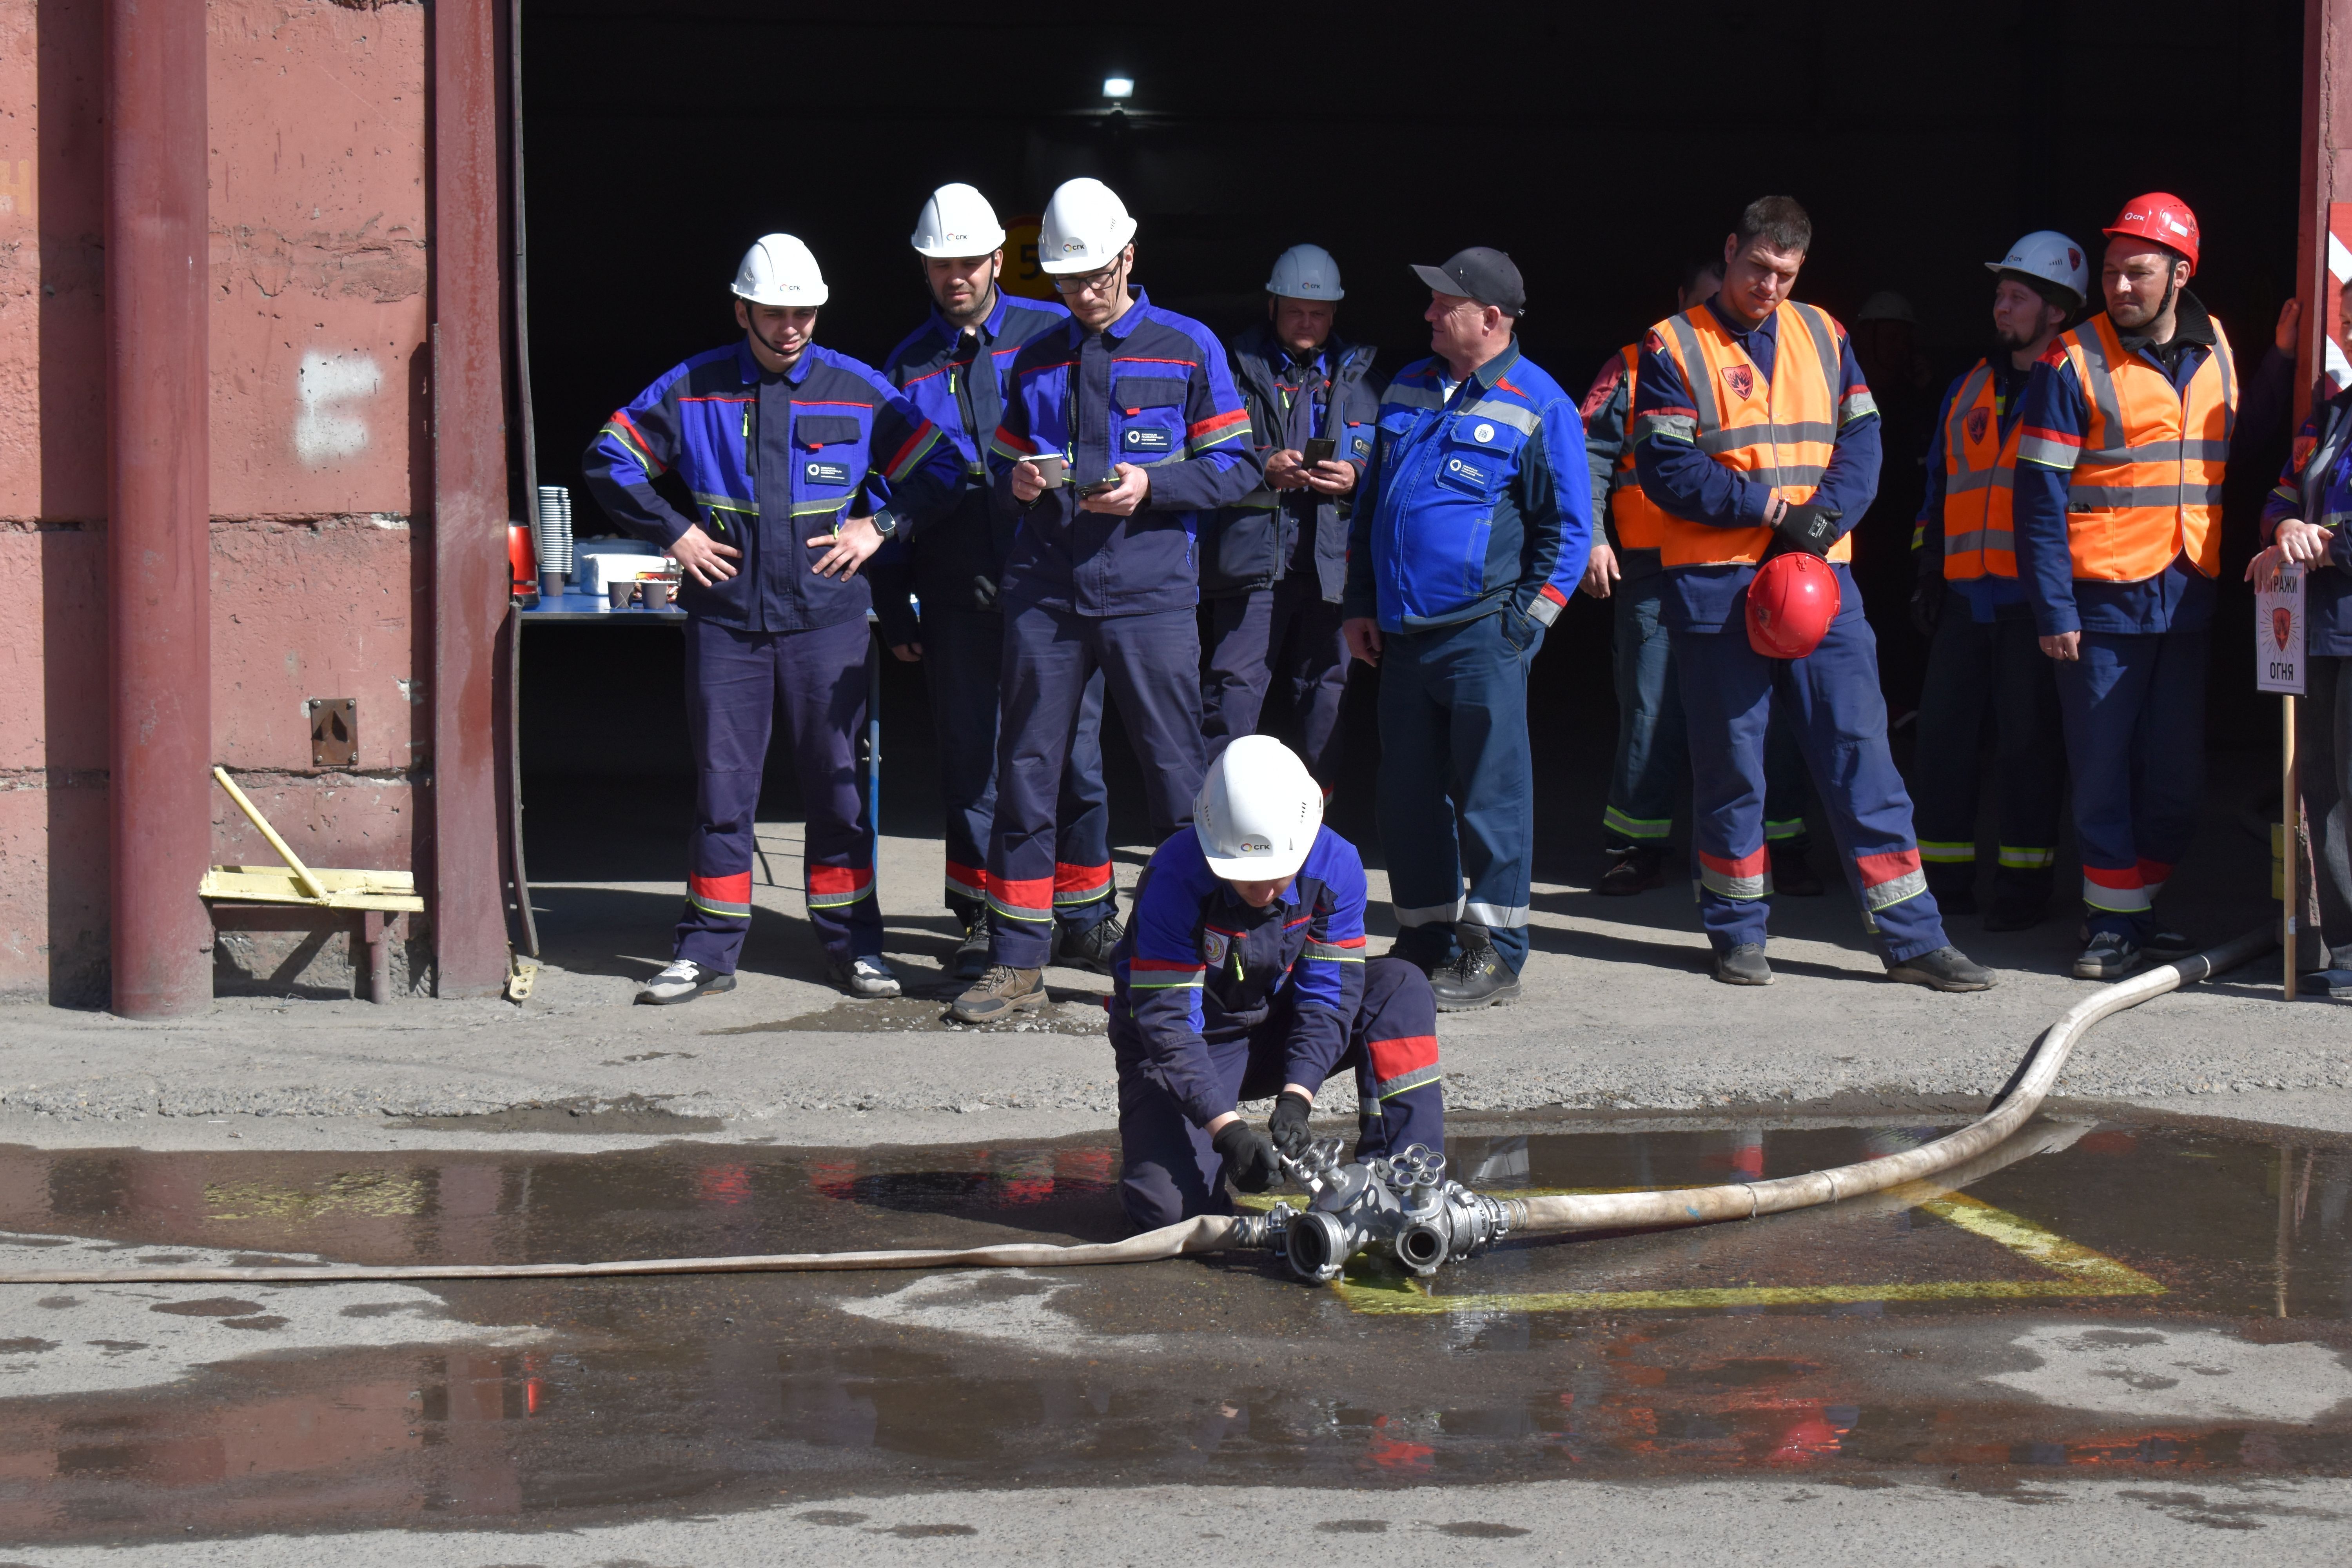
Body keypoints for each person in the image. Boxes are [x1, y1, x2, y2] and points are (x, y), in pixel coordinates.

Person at [584, 234, 963, 1004]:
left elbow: (946, 468)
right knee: (725, 786)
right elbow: (609, 455)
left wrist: (879, 528)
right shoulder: (694, 387)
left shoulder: (858, 389)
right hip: (728, 620)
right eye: (775, 313)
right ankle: (707, 948)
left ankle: (854, 946)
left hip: (828, 619)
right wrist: (675, 532)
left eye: (804, 313)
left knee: (838, 787)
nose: (791, 328)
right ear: (742, 310)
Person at [1631, 195, 1993, 991]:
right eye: (1758, 268)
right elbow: (1667, 467)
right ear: (1731, 251)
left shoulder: (1826, 334)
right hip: (1718, 589)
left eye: (1785, 275)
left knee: (1863, 753)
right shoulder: (1672, 345)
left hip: (1820, 582)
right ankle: (1736, 932)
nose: (1769, 287)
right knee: (1732, 767)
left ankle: (1913, 937)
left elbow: (1864, 436)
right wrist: (1772, 510)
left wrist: (1825, 519)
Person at [952, 178, 1261, 1023]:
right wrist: (1019, 480)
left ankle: (1194, 953)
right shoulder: (1039, 354)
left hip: (1151, 591)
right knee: (1025, 772)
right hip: (1046, 593)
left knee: (1175, 774)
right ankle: (1017, 962)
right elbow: (1012, 457)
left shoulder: (1189, 347)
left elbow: (1237, 467)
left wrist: (1152, 486)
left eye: (1095, 276)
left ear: (1130, 257)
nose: (1083, 294)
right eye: (1066, 281)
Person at [874, 183, 1120, 982]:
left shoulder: (1054, 339)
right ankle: (984, 912)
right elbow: (883, 491)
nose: (957, 277)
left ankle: (1084, 913)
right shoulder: (904, 367)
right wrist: (892, 601)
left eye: (970, 262)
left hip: (1055, 582)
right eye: (942, 264)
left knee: (1075, 753)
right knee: (973, 755)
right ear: (925, 265)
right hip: (957, 589)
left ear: (995, 260)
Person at [1341, 247, 1590, 1009]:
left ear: (1489, 317)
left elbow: (1569, 533)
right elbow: (1373, 505)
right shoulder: (1410, 386)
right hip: (1404, 637)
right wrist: (1359, 600)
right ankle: (1424, 934)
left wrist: (1521, 627)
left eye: (1441, 301)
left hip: (1484, 636)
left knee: (1492, 797)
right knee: (1408, 796)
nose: (1426, 313)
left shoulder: (1539, 402)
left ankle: (1496, 949)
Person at [2014, 193, 2235, 981]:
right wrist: (2054, 607)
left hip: (2186, 594)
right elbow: (2036, 498)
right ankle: (2110, 921)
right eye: (2110, 272)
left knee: (2176, 779)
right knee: (2102, 769)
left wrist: (2280, 362)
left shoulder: (2221, 351)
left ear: (2180, 274)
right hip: (2099, 601)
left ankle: (2138, 905)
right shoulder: (2070, 361)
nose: (2119, 285)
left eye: (2137, 272)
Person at [1109, 735, 1443, 1229]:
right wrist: (1228, 1132)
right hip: (1191, 1044)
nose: (1264, 891)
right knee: (1169, 1215)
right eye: (1246, 877)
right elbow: (1169, 1026)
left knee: (1400, 988)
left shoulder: (1335, 863)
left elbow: (1330, 997)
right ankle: (1172, 1156)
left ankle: (1405, 1183)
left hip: (1274, 1025)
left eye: (1278, 875)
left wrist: (1297, 1096)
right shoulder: (1174, 877)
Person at [1579, 256, 1822, 898]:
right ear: (1681, 300)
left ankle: (1784, 843)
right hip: (1658, 570)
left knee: (1766, 713)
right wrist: (1593, 540)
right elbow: (1585, 455)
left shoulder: (1783, 359)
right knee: (1651, 710)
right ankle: (1635, 845)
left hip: (1754, 567)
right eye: (1711, 300)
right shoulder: (1636, 364)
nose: (1730, 311)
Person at [1907, 232, 2088, 931]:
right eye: (2000, 293)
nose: (2000, 305)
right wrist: (1929, 568)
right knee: (1944, 744)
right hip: (1962, 599)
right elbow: (1939, 487)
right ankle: (1945, 883)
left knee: (2027, 749)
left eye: (2017, 295)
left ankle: (2023, 889)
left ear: (2055, 311)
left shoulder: (2075, 384)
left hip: (2031, 606)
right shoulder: (1967, 388)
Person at [1198, 245, 1379, 790]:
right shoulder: (1229, 370)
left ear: (1335, 315)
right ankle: (1219, 814)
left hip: (1331, 565)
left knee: (1327, 693)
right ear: (1272, 306)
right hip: (1253, 561)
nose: (1308, 321)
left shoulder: (1364, 377)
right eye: (1297, 310)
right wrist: (1262, 467)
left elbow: (1389, 460)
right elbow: (1200, 452)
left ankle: (1312, 822)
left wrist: (1356, 477)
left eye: (1319, 313)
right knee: (1232, 689)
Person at [2252, 281, 2352, 984]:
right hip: (2319, 628)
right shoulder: (2333, 416)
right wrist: (2286, 527)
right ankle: (2347, 951)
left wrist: (2333, 544)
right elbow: (2284, 492)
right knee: (2323, 785)